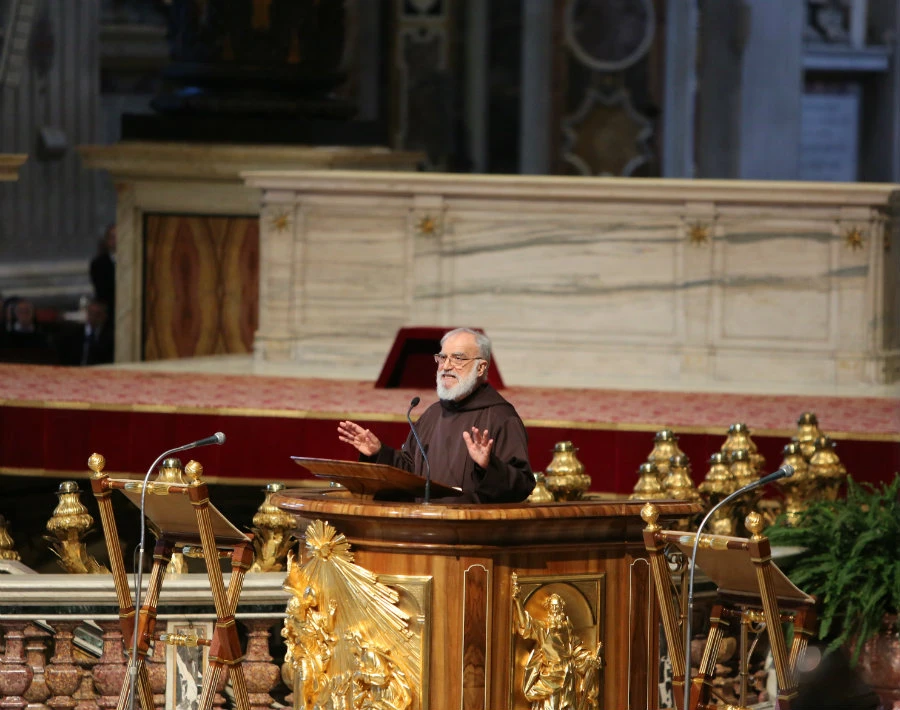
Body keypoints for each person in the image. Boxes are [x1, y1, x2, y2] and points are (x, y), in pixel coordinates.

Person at [337, 327, 534, 503]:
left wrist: (488, 466)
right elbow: (410, 473)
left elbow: (523, 485)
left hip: (473, 534)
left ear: (481, 367)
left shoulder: (501, 417)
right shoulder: (432, 414)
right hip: (424, 529)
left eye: (458, 358)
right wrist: (379, 453)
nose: (446, 366)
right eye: (442, 357)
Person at [511, 574, 603, 710]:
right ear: (549, 609)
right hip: (551, 675)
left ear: (561, 608)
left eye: (557, 607)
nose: (555, 610)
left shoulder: (568, 631)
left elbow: (577, 652)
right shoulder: (544, 629)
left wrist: (590, 660)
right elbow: (526, 625)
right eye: (552, 607)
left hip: (568, 674)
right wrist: (518, 602)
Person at [58, 299, 114, 366]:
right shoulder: (73, 333)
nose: (93, 317)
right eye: (91, 313)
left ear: (104, 316)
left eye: (97, 314)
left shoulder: (110, 336)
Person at [90, 223, 116, 312]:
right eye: (113, 237)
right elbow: (102, 293)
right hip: (108, 312)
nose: (116, 240)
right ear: (107, 240)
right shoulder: (98, 264)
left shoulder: (133, 261)